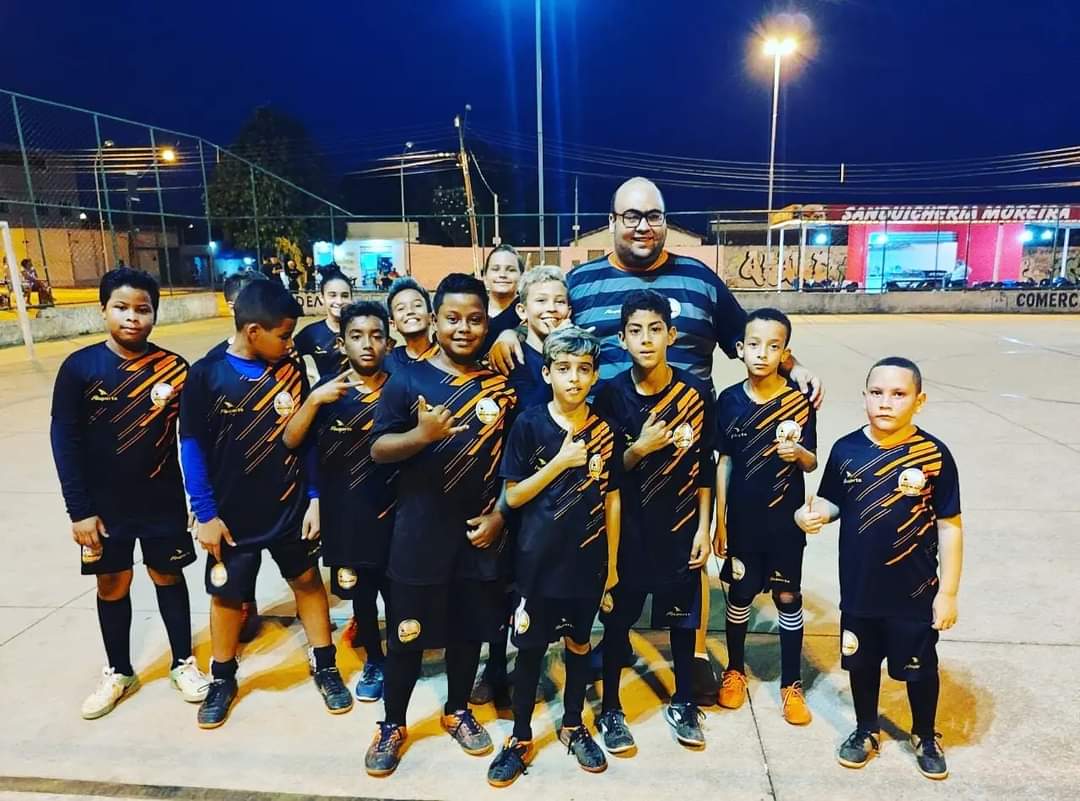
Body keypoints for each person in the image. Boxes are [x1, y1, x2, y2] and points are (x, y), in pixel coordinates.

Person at [489, 176, 825, 703]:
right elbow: (539, 315)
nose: (642, 226)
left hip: (685, 447)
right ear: (612, 221)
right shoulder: (583, 281)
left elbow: (748, 335)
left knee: (687, 563)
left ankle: (692, 657)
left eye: (653, 215)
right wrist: (507, 331)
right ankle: (603, 643)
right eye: (631, 216)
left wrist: (795, 365)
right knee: (613, 560)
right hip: (609, 452)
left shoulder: (700, 279)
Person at [180, 280, 352, 728]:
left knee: (308, 582)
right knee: (226, 596)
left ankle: (325, 664)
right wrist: (206, 513)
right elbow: (191, 446)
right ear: (253, 331)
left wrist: (314, 497)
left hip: (290, 507)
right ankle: (222, 677)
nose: (290, 343)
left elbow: (306, 439)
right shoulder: (207, 374)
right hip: (232, 516)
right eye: (284, 335)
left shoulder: (290, 369)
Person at [364, 273, 517, 777]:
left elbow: (513, 462)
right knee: (407, 635)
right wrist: (422, 435)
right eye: (453, 318)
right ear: (435, 319)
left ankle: (457, 710)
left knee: (467, 632)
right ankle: (392, 723)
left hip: (478, 535)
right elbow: (379, 449)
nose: (463, 328)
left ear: (487, 323)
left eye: (475, 319)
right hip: (419, 534)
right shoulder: (406, 380)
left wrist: (499, 515)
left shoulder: (500, 386)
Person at [49, 268, 209, 720]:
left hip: (161, 500)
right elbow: (64, 441)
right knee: (113, 582)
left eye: (143, 309)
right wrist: (79, 511)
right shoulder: (80, 368)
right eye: (121, 307)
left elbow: (193, 439)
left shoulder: (175, 369)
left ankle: (182, 663)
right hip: (103, 507)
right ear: (103, 310)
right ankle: (119, 672)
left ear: (155, 314)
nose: (132, 317)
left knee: (167, 576)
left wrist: (199, 499)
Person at [794, 357, 963, 781]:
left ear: (919, 401)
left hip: (914, 592)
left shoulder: (933, 455)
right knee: (861, 664)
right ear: (864, 396)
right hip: (860, 590)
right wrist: (813, 515)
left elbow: (950, 526)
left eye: (899, 394)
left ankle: (924, 733)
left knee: (920, 668)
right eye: (876, 392)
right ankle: (866, 728)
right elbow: (833, 501)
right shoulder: (846, 450)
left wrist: (948, 593)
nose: (885, 402)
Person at [486, 326, 620, 786]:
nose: (574, 378)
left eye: (583, 369)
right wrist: (559, 463)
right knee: (530, 650)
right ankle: (521, 735)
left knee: (579, 644)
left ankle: (573, 724)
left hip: (586, 565)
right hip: (536, 566)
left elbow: (612, 500)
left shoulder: (605, 431)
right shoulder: (528, 425)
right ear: (547, 374)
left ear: (595, 376)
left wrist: (612, 565)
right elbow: (513, 496)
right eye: (563, 369)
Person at [593, 290, 714, 751]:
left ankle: (683, 701)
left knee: (681, 622)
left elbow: (704, 466)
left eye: (655, 329)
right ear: (622, 339)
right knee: (617, 622)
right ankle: (610, 708)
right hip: (627, 531)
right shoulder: (610, 395)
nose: (646, 339)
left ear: (672, 335)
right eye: (636, 331)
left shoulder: (695, 393)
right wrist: (639, 449)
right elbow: (602, 470)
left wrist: (704, 527)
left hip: (680, 528)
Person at [284, 301, 396, 703]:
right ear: (341, 342)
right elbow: (294, 441)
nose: (367, 344)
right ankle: (375, 660)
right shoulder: (328, 391)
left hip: (395, 508)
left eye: (376, 336)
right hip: (345, 510)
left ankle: (401, 658)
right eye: (356, 336)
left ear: (389, 341)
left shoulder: (402, 387)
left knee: (398, 590)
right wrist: (314, 400)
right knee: (361, 593)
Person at [470, 265, 570, 708]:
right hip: (508, 486)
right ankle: (494, 665)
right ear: (523, 309)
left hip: (556, 492)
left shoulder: (574, 358)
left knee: (541, 582)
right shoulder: (506, 355)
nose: (552, 309)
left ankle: (533, 663)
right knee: (498, 582)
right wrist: (507, 332)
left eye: (559, 301)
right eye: (541, 301)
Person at [714, 308, 818, 725]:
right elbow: (723, 462)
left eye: (773, 346)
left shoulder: (798, 401)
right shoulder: (728, 401)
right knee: (740, 595)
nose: (762, 353)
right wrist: (720, 521)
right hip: (742, 522)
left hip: (785, 525)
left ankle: (791, 683)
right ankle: (734, 670)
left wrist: (800, 454)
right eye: (754, 345)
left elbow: (812, 462)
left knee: (787, 597)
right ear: (740, 348)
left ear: (785, 353)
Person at [205, 270, 269, 642]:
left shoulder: (282, 357)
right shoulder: (213, 365)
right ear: (233, 307)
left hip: (277, 486)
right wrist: (203, 504)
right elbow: (199, 438)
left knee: (297, 567)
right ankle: (245, 604)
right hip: (233, 488)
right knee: (238, 562)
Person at [293, 270, 353, 383]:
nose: (339, 301)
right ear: (322, 297)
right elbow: (289, 356)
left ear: (351, 298)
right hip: (328, 392)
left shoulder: (362, 329)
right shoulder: (311, 333)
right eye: (332, 295)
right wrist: (311, 372)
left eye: (345, 296)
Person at [385, 276, 438, 371]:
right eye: (401, 308)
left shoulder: (446, 357)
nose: (410, 311)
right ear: (393, 324)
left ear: (431, 317)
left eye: (417, 305)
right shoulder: (387, 362)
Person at [482, 245, 525, 352]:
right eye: (495, 269)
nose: (502, 275)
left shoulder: (528, 312)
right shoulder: (474, 309)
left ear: (521, 276)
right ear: (485, 276)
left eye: (511, 270)